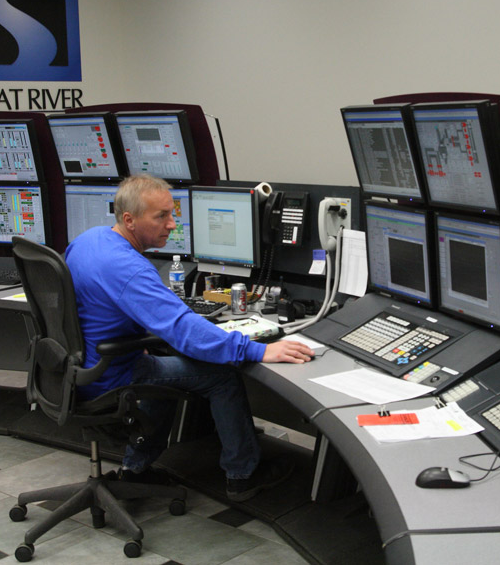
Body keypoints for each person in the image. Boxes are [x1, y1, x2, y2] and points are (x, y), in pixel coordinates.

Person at [64, 174, 313, 502]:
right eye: (161, 216)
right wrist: (256, 351)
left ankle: (136, 467)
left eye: (172, 213)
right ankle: (242, 475)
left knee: (165, 369)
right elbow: (184, 331)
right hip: (111, 374)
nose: (171, 224)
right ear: (129, 220)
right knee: (221, 376)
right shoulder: (130, 269)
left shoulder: (90, 240)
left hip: (80, 367)